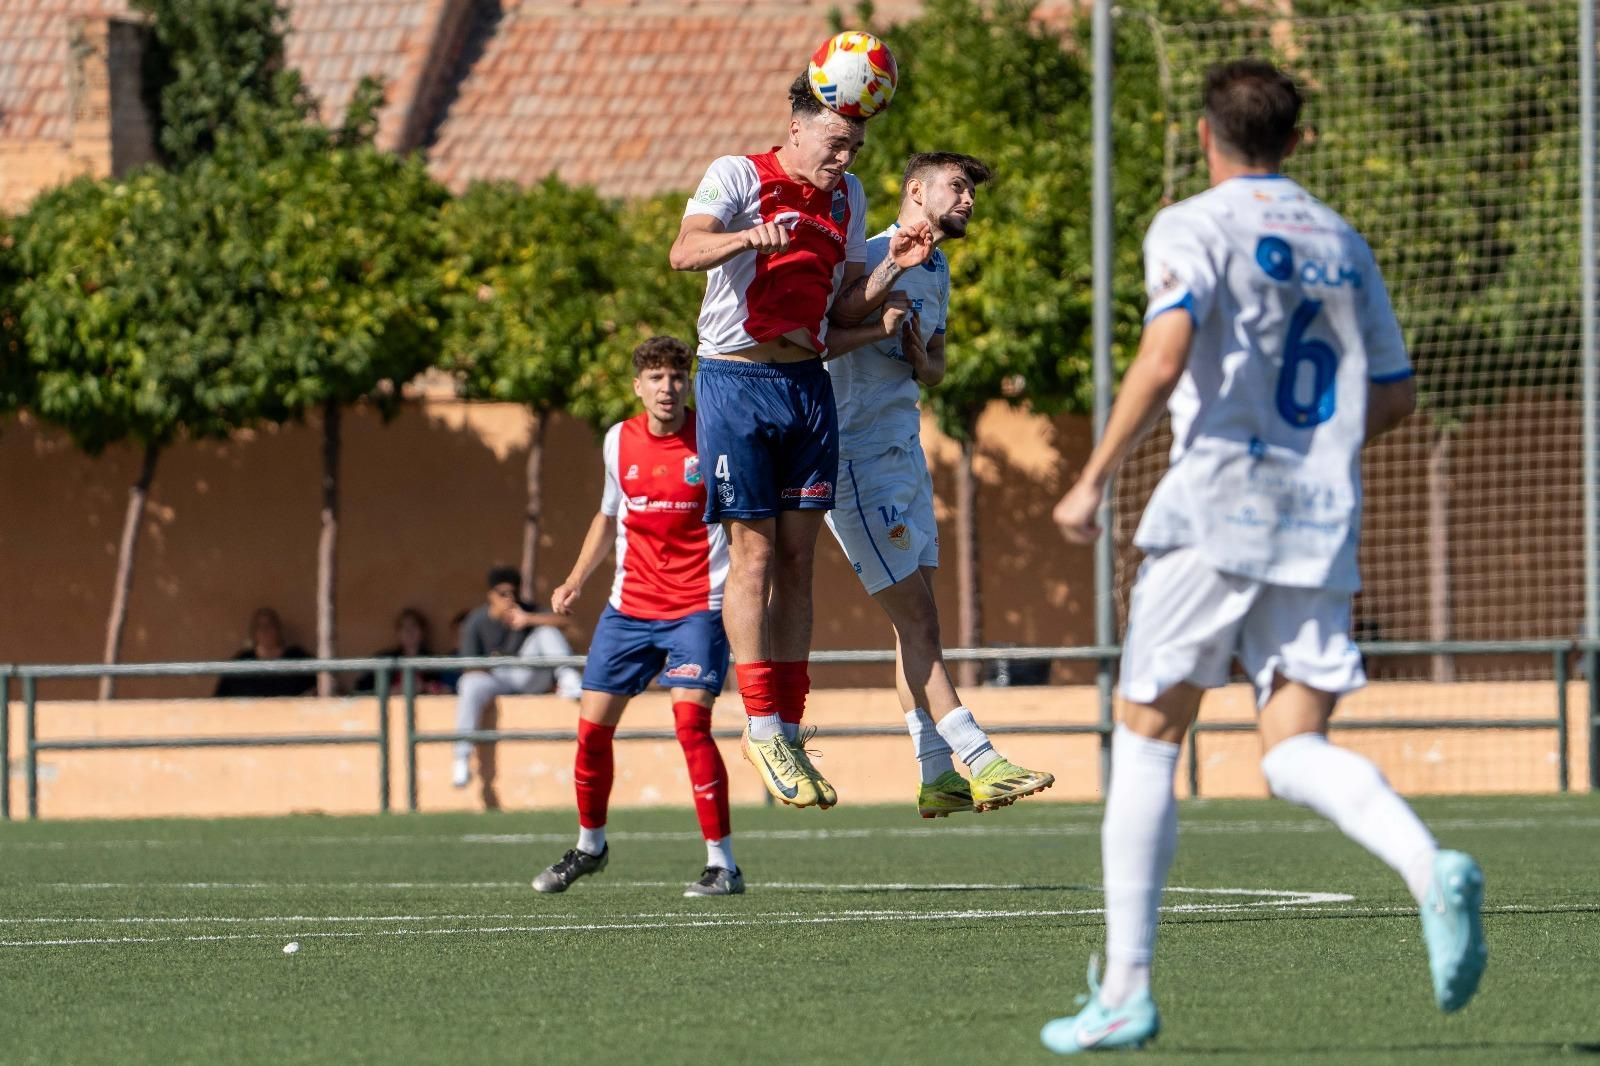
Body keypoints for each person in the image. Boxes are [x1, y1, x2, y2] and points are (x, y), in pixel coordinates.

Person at [1040, 60, 1486, 1054]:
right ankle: (1426, 865)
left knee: (1149, 731)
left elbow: (1163, 355)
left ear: (1207, 135)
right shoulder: (1342, 240)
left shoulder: (1191, 224)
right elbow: (1398, 395)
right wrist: (1312, 455)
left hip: (1213, 510)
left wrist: (1094, 478)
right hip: (1319, 514)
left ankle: (1125, 987)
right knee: (1289, 749)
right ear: (1297, 141)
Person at [670, 72, 936, 810]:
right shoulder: (737, 175)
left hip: (807, 385)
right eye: (834, 142)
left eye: (854, 146)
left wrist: (891, 269)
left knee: (799, 559)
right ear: (795, 127)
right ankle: (758, 722)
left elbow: (842, 303)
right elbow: (683, 251)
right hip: (736, 382)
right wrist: (746, 236)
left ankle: (788, 726)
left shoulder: (846, 201)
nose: (844, 158)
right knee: (752, 552)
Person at [822, 151, 1055, 818]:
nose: (969, 202)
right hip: (856, 462)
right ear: (917, 192)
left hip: (904, 453)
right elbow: (831, 325)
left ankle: (935, 772)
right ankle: (980, 757)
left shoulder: (940, 267)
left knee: (915, 626)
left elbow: (940, 363)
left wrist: (925, 360)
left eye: (972, 193)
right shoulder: (868, 253)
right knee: (918, 616)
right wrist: (880, 315)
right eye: (958, 188)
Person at [529, 336, 740, 897]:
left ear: (688, 383)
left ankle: (723, 864)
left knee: (691, 726)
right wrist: (575, 579)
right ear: (638, 387)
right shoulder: (617, 441)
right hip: (629, 609)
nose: (667, 388)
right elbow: (607, 517)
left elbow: (743, 521)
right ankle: (590, 846)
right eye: (656, 378)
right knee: (591, 730)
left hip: (699, 605)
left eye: (676, 377)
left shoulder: (714, 435)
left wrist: (753, 586)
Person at [452, 567, 584, 790]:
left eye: (513, 593)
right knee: (469, 685)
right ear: (491, 595)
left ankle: (568, 678)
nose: (509, 599)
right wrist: (495, 663)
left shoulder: (527, 610)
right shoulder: (477, 620)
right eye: (502, 594)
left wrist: (529, 619)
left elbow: (569, 624)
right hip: (493, 678)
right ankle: (461, 758)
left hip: (528, 674)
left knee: (546, 632)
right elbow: (469, 667)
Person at [213, 607, 315, 698]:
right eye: (259, 626)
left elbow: (320, 685)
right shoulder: (241, 662)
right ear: (254, 632)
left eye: (270, 625)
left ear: (279, 629)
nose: (265, 630)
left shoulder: (296, 658)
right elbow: (220, 699)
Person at [353, 607, 451, 695]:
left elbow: (449, 689)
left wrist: (426, 687)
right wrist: (391, 690)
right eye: (404, 627)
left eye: (414, 626)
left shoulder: (434, 661)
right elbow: (361, 688)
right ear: (398, 633)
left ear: (422, 632)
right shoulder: (385, 658)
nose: (409, 631)